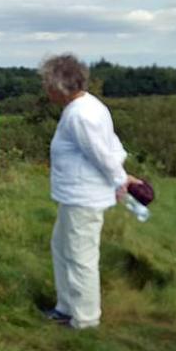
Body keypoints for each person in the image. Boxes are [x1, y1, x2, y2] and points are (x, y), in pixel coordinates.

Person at [41, 54, 141, 329]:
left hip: (83, 198)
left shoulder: (81, 114)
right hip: (74, 196)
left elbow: (102, 154)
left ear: (59, 85)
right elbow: (113, 145)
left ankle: (85, 319)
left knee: (80, 256)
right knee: (62, 248)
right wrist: (120, 172)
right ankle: (66, 306)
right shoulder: (86, 106)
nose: (45, 88)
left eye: (46, 83)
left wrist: (121, 180)